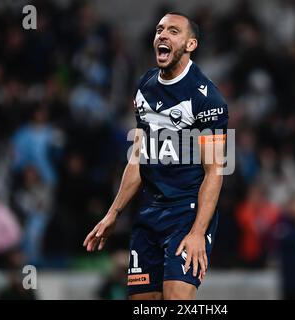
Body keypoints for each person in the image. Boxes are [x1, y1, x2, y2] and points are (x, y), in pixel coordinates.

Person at [84, 12, 228, 300]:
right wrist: (113, 213)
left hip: (186, 214)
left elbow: (215, 171)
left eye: (173, 31)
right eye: (160, 29)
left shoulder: (207, 99)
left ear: (190, 45)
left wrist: (198, 232)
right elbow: (138, 157)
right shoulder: (145, 86)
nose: (163, 35)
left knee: (176, 298)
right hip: (149, 214)